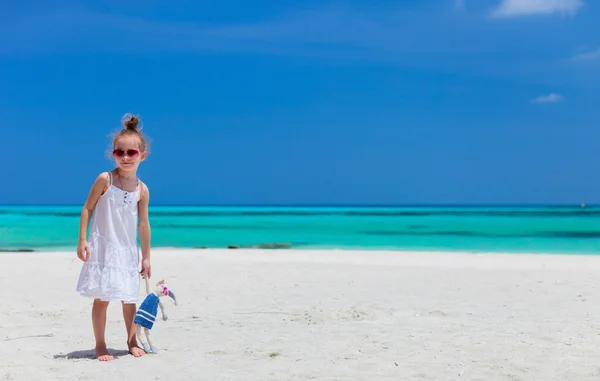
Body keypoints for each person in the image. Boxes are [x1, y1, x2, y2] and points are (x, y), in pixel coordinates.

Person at [75, 114, 152, 361]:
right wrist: (82, 240)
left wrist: (147, 257)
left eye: (132, 152)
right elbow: (87, 208)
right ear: (113, 154)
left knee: (130, 299)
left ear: (143, 155)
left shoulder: (142, 189)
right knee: (103, 298)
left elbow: (143, 224)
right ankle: (100, 345)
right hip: (104, 247)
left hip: (128, 250)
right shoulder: (105, 179)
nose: (126, 157)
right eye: (120, 153)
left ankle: (132, 341)